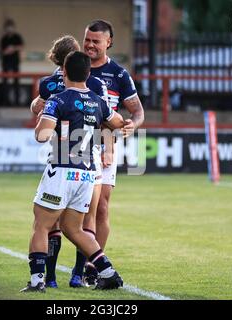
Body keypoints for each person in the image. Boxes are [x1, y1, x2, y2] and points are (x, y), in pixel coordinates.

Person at [20, 51, 125, 292]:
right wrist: (124, 125)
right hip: (87, 175)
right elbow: (117, 121)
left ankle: (37, 281)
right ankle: (108, 273)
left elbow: (42, 135)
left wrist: (44, 120)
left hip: (61, 170)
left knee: (42, 226)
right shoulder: (98, 101)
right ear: (88, 74)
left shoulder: (58, 99)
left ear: (63, 72)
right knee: (73, 229)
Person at [70, 19, 145, 286]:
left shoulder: (119, 75)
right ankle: (76, 269)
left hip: (104, 148)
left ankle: (91, 267)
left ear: (108, 42)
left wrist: (131, 126)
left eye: (95, 41)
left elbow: (137, 111)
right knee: (69, 210)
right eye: (87, 39)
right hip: (74, 147)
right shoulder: (73, 67)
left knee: (100, 208)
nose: (89, 45)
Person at [0, 19, 24, 106]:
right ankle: (4, 102)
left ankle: (17, 102)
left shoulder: (17, 37)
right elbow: (2, 51)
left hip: (15, 62)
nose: (9, 29)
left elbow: (21, 47)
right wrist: (7, 51)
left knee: (16, 82)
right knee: (5, 82)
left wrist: (13, 48)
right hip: (6, 62)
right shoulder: (4, 38)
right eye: (7, 27)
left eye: (10, 27)